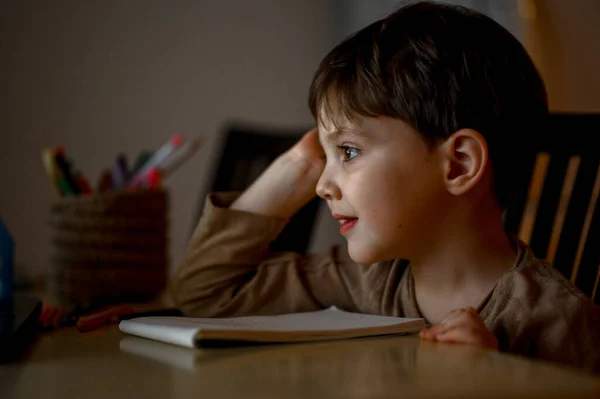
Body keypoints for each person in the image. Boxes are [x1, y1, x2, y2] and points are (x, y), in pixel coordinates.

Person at [171, 1, 600, 372]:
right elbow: (206, 292)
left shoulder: (560, 324)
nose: (322, 185)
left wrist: (495, 380)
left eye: (349, 152)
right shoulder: (364, 281)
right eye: (325, 155)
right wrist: (294, 165)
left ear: (458, 165)